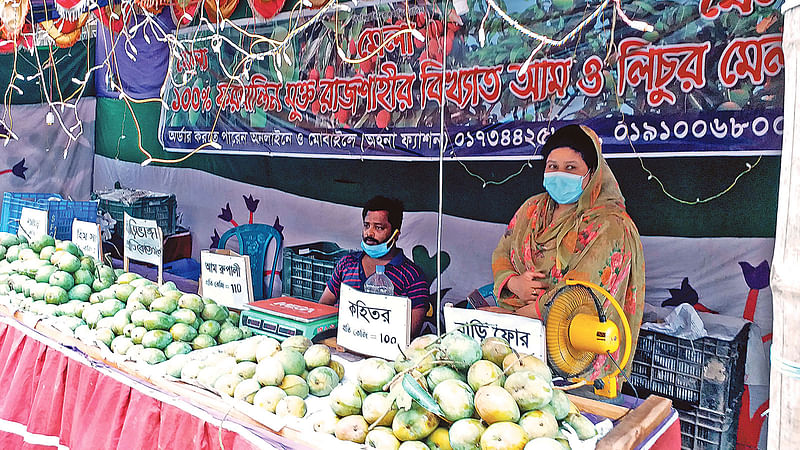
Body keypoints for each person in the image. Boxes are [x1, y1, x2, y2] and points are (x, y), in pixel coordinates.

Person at [490, 124, 645, 382]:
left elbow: (581, 293)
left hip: (574, 357)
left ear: (592, 173)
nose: (559, 174)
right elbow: (502, 251)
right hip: (517, 344)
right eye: (552, 166)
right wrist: (514, 283)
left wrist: (512, 320)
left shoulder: (610, 225)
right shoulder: (532, 209)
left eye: (571, 168)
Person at [320, 196, 430, 338]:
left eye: (379, 227)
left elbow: (411, 333)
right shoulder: (346, 263)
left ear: (396, 234)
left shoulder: (413, 276)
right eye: (367, 225)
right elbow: (323, 306)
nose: (369, 233)